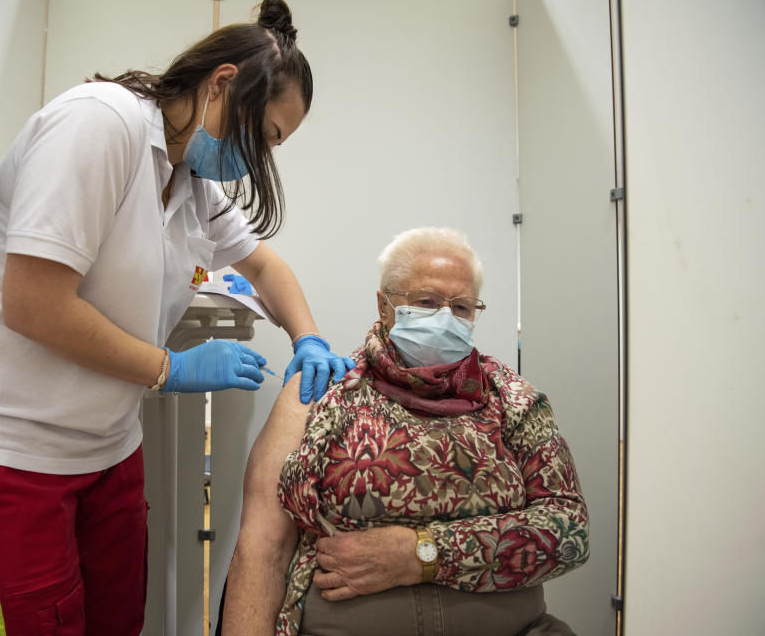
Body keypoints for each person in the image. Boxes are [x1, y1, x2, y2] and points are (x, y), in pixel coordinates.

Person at [0, 0, 353, 634]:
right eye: (265, 137)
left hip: (107, 450)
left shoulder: (190, 179)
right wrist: (168, 368)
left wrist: (307, 337)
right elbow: (34, 304)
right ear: (221, 83)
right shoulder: (100, 125)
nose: (261, 160)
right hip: (6, 447)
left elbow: (265, 267)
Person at [222, 227, 589, 636]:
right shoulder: (322, 393)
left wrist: (421, 555)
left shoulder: (515, 402)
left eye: (462, 307)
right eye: (427, 302)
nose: (446, 318)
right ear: (385, 306)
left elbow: (568, 528)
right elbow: (263, 550)